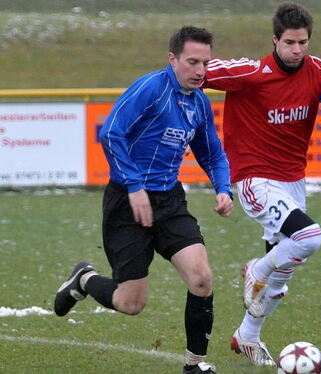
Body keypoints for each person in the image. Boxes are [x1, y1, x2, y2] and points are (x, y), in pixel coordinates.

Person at [53, 26, 233, 374]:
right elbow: (111, 133)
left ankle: (194, 365)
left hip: (169, 201)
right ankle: (85, 280)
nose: (200, 71)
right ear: (172, 59)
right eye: (192, 62)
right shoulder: (151, 89)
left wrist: (223, 188)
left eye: (205, 63)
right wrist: (134, 186)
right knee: (131, 303)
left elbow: (212, 153)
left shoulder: (200, 103)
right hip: (127, 203)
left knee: (201, 278)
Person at [203, 2, 321, 367]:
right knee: (310, 238)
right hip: (253, 178)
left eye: (303, 42)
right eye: (289, 42)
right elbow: (194, 71)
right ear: (275, 39)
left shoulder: (319, 71)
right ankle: (255, 269)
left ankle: (247, 335)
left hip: (292, 183)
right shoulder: (252, 72)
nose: (297, 50)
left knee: (280, 282)